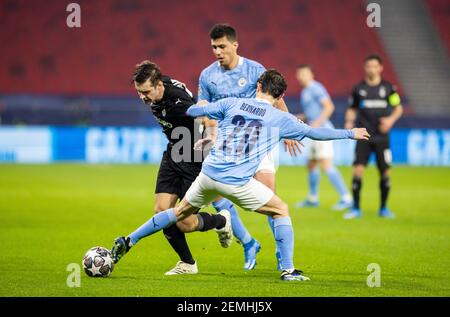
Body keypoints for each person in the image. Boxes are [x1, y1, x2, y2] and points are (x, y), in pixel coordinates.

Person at [110, 69, 370, 281]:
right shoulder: (281, 119)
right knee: (280, 209)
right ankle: (288, 270)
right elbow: (316, 133)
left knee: (177, 214)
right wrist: (350, 133)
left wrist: (204, 121)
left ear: (257, 87)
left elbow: (194, 111)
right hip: (236, 182)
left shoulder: (233, 102)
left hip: (208, 174)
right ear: (281, 94)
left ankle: (129, 239)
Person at [197, 24, 302, 270]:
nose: (217, 51)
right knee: (217, 196)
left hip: (257, 141)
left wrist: (289, 130)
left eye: (222, 46)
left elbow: (277, 99)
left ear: (235, 45)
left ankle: (281, 250)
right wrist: (211, 134)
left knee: (269, 199)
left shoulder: (256, 70)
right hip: (225, 144)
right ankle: (248, 243)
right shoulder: (207, 75)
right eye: (213, 47)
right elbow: (205, 108)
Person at [128, 60, 233, 275]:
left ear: (158, 85)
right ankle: (187, 263)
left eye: (146, 92)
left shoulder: (179, 103)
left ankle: (221, 220)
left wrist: (211, 136)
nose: (142, 97)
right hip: (174, 152)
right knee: (161, 211)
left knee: (183, 223)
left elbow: (206, 112)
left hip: (194, 158)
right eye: (139, 92)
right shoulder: (160, 85)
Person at [344, 54, 403, 219]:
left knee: (385, 172)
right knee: (358, 170)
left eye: (374, 66)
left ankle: (383, 208)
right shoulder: (358, 89)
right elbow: (352, 108)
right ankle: (356, 208)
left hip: (382, 137)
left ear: (380, 68)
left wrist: (390, 120)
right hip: (363, 136)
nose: (371, 69)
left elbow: (398, 108)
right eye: (368, 66)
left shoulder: (389, 88)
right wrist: (349, 121)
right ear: (365, 68)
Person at [294, 64, 352, 210]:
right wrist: (298, 118)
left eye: (304, 74)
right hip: (314, 131)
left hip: (322, 130)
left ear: (311, 75)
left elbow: (329, 106)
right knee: (311, 164)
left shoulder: (315, 88)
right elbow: (311, 113)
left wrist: (317, 123)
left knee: (326, 164)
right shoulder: (305, 91)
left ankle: (346, 197)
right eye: (299, 74)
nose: (301, 77)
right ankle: (313, 198)